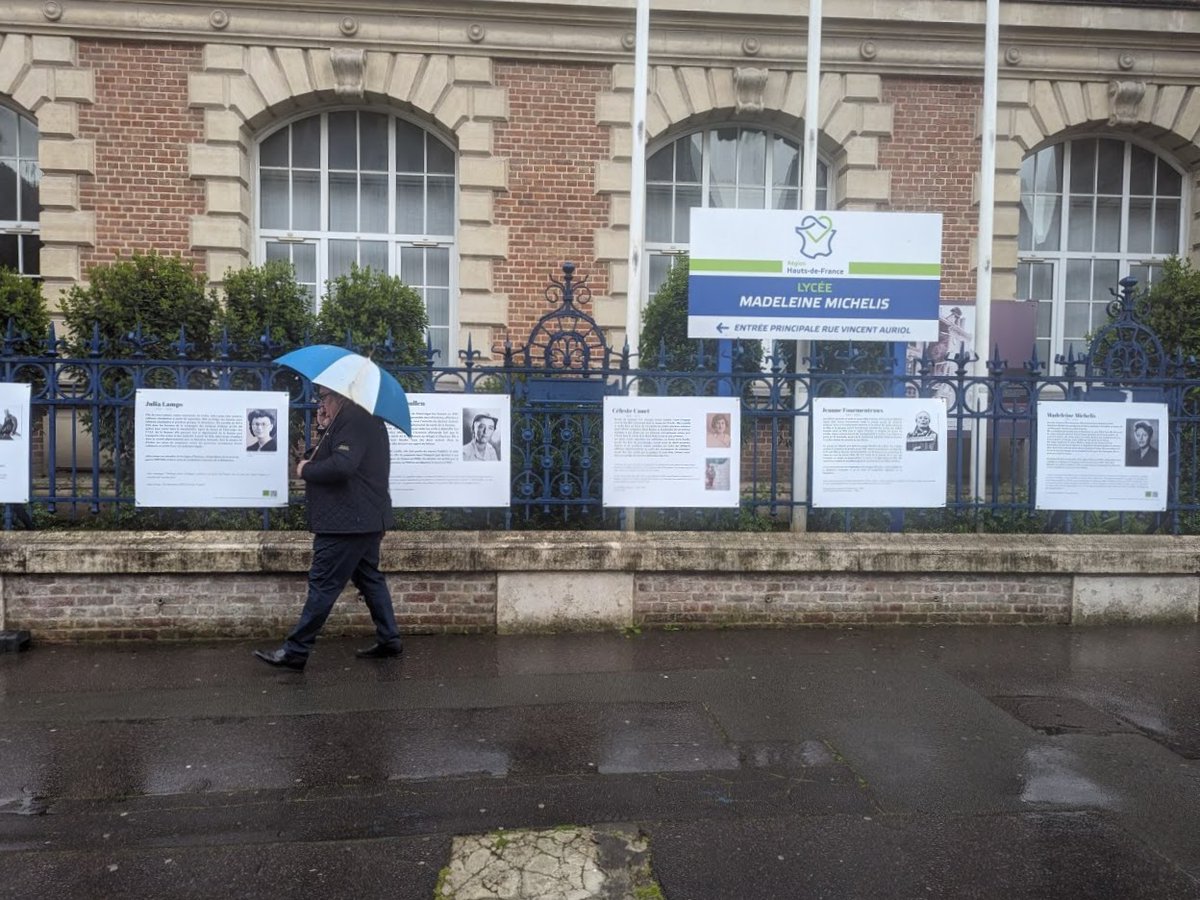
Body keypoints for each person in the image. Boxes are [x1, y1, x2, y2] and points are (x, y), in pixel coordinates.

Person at [254, 386, 402, 671]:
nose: (321, 404)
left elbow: (344, 466)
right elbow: (343, 457)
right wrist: (325, 428)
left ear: (340, 396)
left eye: (324, 398)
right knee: (370, 578)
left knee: (323, 585)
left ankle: (296, 650)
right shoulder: (353, 420)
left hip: (347, 523)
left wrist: (305, 470)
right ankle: (390, 638)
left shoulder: (355, 418)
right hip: (362, 519)